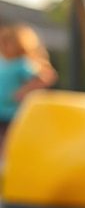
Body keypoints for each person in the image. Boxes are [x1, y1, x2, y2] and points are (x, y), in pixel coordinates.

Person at [0, 25, 57, 156]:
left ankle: (8, 165)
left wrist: (24, 91)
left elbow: (45, 77)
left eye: (7, 43)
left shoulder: (22, 64)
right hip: (1, 109)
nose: (4, 46)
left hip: (12, 112)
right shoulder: (3, 61)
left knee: (8, 140)